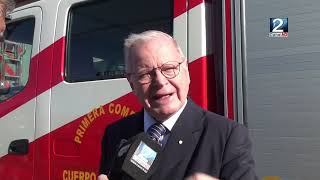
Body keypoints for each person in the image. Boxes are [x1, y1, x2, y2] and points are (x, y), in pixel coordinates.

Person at [98, 30, 257, 180]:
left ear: (186, 71)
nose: (160, 81)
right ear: (131, 83)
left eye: (169, 68)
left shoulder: (227, 135)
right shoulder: (116, 133)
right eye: (145, 74)